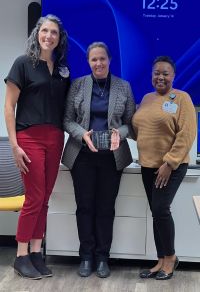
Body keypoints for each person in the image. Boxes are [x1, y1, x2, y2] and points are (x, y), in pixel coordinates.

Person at [4, 14, 70, 280]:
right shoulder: (23, 63)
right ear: (37, 33)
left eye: (54, 32)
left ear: (59, 38)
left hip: (55, 138)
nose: (49, 36)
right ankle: (20, 256)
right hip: (29, 137)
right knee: (34, 197)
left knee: (44, 198)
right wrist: (14, 145)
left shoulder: (62, 69)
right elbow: (9, 107)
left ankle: (35, 253)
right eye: (45, 31)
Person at [62, 41, 135, 278]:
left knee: (105, 208)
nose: (98, 63)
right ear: (88, 62)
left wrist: (119, 134)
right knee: (85, 207)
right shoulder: (78, 85)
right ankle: (86, 256)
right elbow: (67, 119)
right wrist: (82, 134)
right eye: (94, 59)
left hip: (112, 157)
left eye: (102, 58)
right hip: (82, 155)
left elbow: (130, 123)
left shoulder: (124, 86)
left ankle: (103, 257)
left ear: (109, 60)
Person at [132, 56, 196, 280]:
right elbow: (139, 129)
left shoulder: (182, 98)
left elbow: (187, 134)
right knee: (156, 213)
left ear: (173, 76)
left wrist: (169, 162)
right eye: (156, 72)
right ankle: (160, 260)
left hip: (171, 166)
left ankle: (170, 258)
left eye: (165, 73)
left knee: (160, 210)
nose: (160, 76)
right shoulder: (147, 98)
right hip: (147, 166)